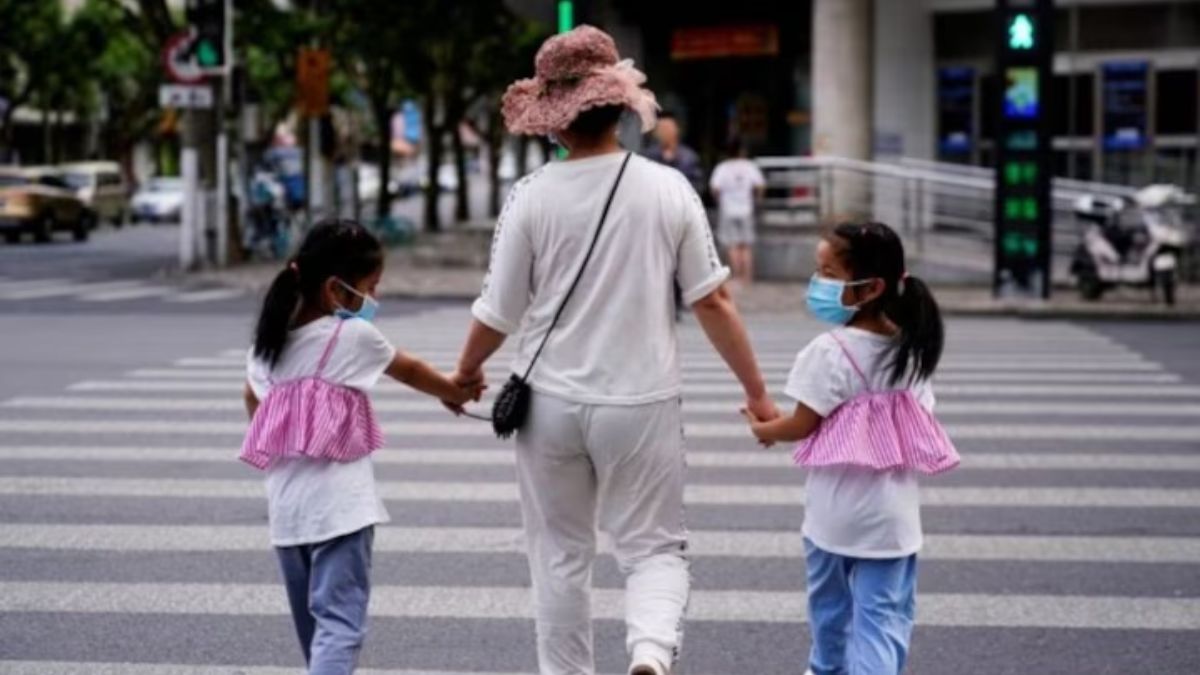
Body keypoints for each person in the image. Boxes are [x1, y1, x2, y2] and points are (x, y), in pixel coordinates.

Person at [454, 26, 778, 675]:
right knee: (654, 548)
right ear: (620, 108)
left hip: (547, 404)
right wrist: (758, 393)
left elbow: (499, 311)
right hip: (641, 400)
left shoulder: (530, 197)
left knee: (559, 556)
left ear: (554, 119)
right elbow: (713, 301)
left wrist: (464, 373)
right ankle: (652, 652)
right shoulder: (668, 189)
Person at [240, 219, 480, 675]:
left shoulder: (265, 345)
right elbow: (408, 370)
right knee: (340, 627)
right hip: (340, 514)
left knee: (317, 635)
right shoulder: (349, 336)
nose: (376, 298)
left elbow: (251, 396)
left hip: (287, 516)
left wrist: (282, 437)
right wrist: (455, 391)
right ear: (336, 290)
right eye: (371, 287)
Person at [741, 221, 959, 675]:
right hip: (891, 523)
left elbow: (801, 425)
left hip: (831, 518)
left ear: (870, 287)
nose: (817, 283)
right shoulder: (911, 350)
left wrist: (764, 429)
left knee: (829, 614)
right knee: (882, 621)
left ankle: (825, 671)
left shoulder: (829, 351)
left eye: (828, 273)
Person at [709, 142, 766, 285]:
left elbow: (715, 188)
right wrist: (757, 199)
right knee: (745, 245)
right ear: (742, 151)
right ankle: (747, 277)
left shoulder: (722, 168)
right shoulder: (749, 166)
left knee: (733, 245)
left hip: (728, 209)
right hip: (746, 208)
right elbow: (760, 185)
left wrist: (720, 200)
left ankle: (737, 275)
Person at [644, 113, 704, 195]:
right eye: (660, 128)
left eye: (667, 128)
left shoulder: (689, 157)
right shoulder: (648, 156)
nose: (663, 131)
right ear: (655, 132)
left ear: (677, 130)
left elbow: (698, 185)